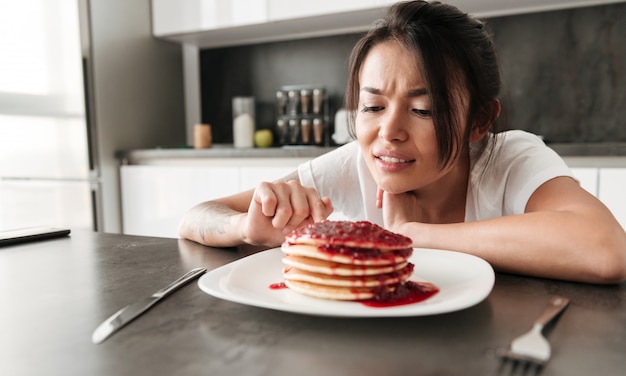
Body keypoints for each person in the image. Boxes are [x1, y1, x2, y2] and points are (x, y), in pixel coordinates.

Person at [179, 0, 626, 284]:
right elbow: (196, 216)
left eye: (423, 110)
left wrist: (411, 236)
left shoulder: (510, 161)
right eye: (372, 107)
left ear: (479, 122)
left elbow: (605, 249)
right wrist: (247, 227)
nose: (388, 132)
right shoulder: (354, 163)